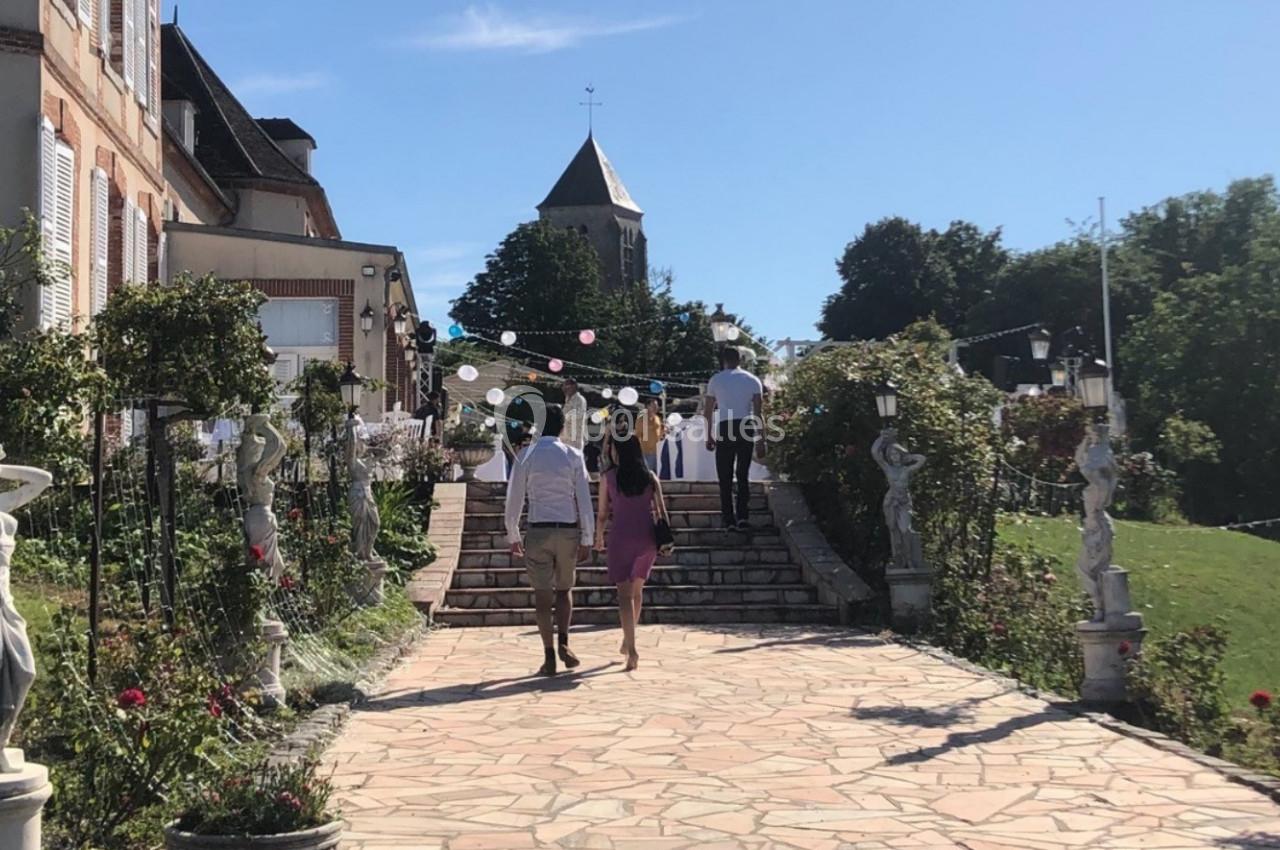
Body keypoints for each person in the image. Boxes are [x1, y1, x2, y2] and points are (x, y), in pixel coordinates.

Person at [505, 404, 593, 676]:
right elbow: (583, 498)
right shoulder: (573, 455)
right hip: (567, 529)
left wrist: (513, 532)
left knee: (542, 596)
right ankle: (565, 642)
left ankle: (548, 655)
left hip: (538, 528)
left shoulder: (525, 455)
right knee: (564, 591)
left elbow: (515, 496)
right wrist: (587, 536)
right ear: (563, 427)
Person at [594, 433, 667, 672]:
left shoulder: (609, 477)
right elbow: (661, 512)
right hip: (646, 538)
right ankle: (629, 639)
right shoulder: (650, 478)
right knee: (637, 591)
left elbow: (603, 512)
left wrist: (598, 537)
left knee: (624, 595)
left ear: (618, 451)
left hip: (621, 536)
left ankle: (632, 648)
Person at [705, 346, 764, 530]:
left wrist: (708, 434)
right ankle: (743, 516)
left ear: (724, 360)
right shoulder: (752, 380)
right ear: (740, 360)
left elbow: (707, 411)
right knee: (742, 473)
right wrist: (762, 439)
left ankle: (728, 518)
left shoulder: (716, 380)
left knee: (725, 474)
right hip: (745, 425)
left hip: (725, 425)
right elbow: (758, 412)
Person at [636, 397, 666, 474]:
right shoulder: (642, 420)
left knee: (658, 473)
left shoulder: (657, 418)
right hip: (647, 452)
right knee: (648, 473)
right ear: (647, 407)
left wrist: (664, 431)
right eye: (653, 406)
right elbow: (638, 435)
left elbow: (660, 433)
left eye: (657, 406)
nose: (656, 407)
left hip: (658, 451)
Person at [561, 379, 588, 453]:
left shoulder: (580, 399)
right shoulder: (567, 400)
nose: (564, 390)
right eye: (563, 387)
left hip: (574, 439)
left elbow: (579, 415)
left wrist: (563, 416)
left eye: (567, 387)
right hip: (565, 438)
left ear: (574, 387)